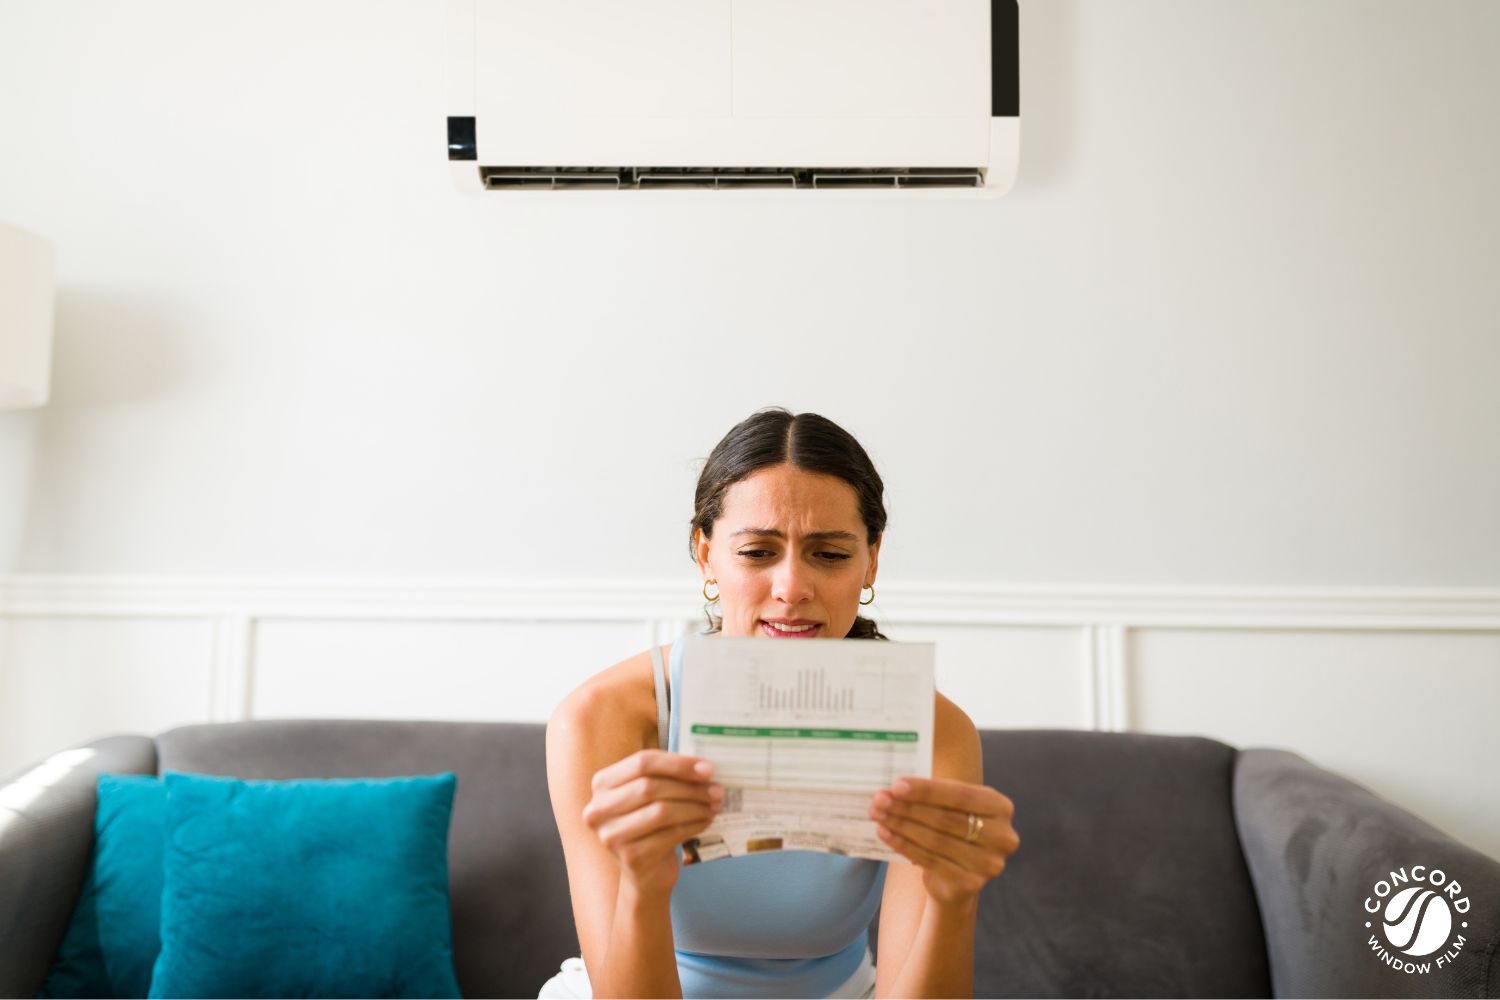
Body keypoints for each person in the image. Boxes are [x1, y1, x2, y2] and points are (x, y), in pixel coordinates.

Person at [542, 408, 1020, 999]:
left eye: (830, 554)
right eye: (757, 552)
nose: (792, 587)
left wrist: (956, 899)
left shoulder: (932, 729)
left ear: (871, 559)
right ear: (706, 555)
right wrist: (644, 884)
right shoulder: (603, 718)